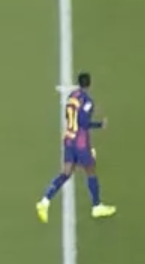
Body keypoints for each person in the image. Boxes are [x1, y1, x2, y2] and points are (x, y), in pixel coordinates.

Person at [38, 73, 119, 221]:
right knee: (90, 170)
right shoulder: (87, 101)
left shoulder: (72, 96)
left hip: (69, 139)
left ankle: (45, 201)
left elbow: (69, 116)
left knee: (66, 173)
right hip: (80, 143)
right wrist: (100, 124)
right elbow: (84, 122)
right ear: (90, 84)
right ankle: (97, 206)